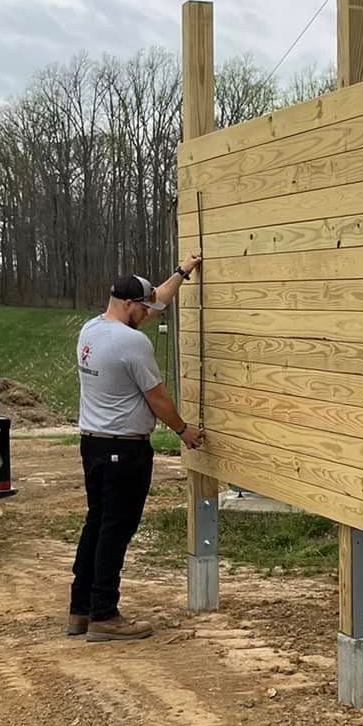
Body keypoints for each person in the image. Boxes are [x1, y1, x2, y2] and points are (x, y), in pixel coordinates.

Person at [69, 262, 204, 641]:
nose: (149, 315)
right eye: (145, 310)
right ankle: (104, 615)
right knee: (116, 530)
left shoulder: (91, 329)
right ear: (130, 305)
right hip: (123, 452)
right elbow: (157, 397)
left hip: (93, 444)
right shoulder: (132, 343)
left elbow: (156, 295)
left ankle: (80, 610)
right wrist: (183, 430)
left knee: (97, 524)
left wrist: (182, 271)